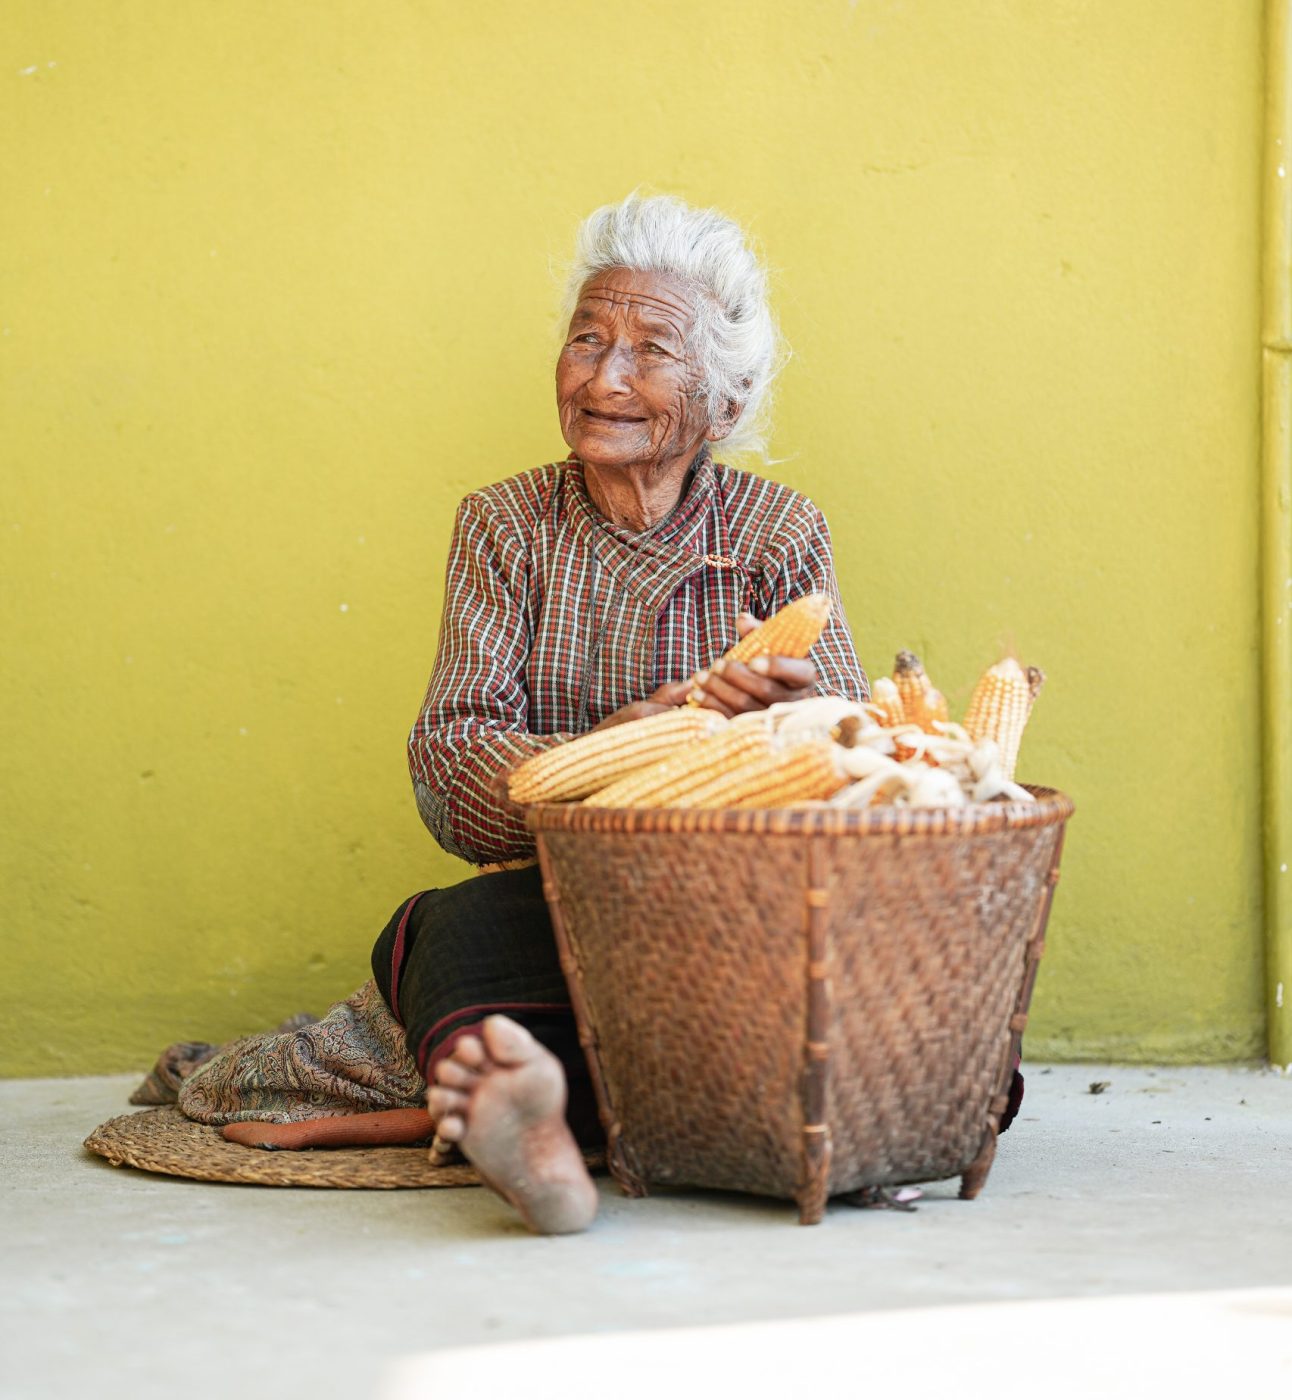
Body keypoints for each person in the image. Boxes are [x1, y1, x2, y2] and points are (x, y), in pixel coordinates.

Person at [178, 193, 870, 1232]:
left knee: (902, 1023)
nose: (603, 376)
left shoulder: (779, 532)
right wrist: (635, 736)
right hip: (558, 903)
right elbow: (451, 764)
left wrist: (794, 721)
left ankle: (510, 1110)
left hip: (733, 919)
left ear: (722, 406)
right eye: (586, 339)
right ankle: (555, 1118)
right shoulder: (504, 526)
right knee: (446, 934)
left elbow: (866, 755)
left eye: (648, 350)